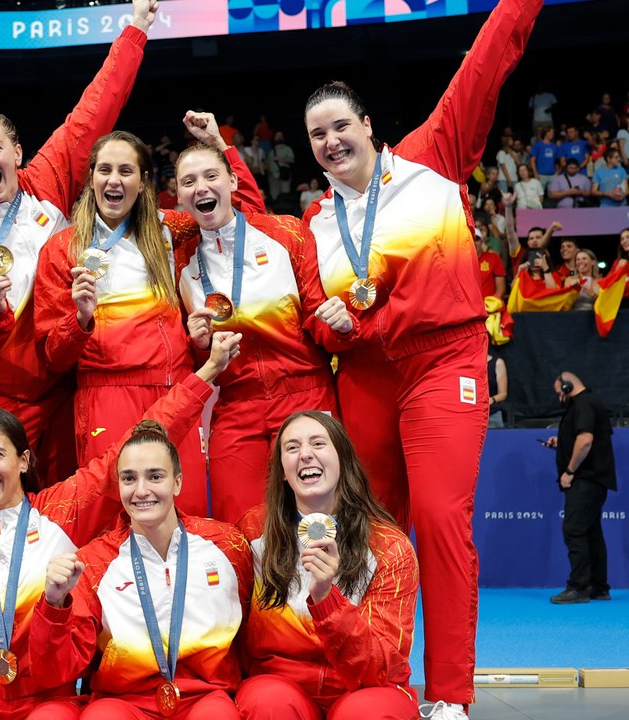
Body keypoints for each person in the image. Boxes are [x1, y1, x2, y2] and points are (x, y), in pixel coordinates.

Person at [299, 1, 542, 714]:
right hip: (369, 376)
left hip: (445, 361)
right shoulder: (314, 224)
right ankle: (376, 680)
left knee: (438, 519)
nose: (332, 141)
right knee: (368, 529)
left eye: (342, 126)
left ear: (368, 126)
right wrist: (336, 328)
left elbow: (486, 63)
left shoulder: (432, 157)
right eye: (318, 135)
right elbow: (321, 325)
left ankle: (450, 699)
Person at [0, 332, 241, 720]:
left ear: (24, 461)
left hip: (49, 694)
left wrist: (208, 371)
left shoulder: (64, 510)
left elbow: (140, 439)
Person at [0, 0, 159, 488]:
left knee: (71, 506)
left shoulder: (49, 181)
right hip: (1, 399)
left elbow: (95, 110)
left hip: (67, 387)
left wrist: (136, 29)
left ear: (17, 153)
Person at [35, 129, 225, 517]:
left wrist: (224, 151)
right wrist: (80, 319)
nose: (114, 180)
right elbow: (52, 357)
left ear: (143, 182)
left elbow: (236, 218)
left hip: (174, 390)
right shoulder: (62, 249)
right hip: (106, 396)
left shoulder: (172, 230)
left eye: (126, 170)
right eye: (104, 170)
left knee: (183, 515)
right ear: (91, 179)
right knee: (117, 522)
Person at [169, 115, 349, 522]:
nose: (201, 188)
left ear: (232, 181)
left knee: (317, 523)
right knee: (242, 530)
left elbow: (318, 320)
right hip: (237, 408)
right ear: (178, 196)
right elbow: (199, 363)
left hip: (306, 394)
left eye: (211, 175)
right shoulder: (182, 263)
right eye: (188, 182)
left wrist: (338, 324)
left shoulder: (286, 233)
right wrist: (197, 345)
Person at [30, 417, 253, 719]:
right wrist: (54, 604)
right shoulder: (94, 562)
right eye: (129, 478)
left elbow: (249, 634)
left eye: (155, 476)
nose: (141, 490)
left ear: (177, 482)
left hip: (205, 697)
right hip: (123, 702)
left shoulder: (227, 545)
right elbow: (56, 670)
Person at [234, 411, 419, 720]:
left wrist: (326, 600)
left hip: (362, 687)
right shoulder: (253, 531)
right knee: (267, 701)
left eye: (318, 443)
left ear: (343, 460)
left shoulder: (389, 547)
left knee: (365, 713)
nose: (305, 453)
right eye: (292, 448)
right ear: (282, 471)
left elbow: (383, 667)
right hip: (282, 683)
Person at [543, 372, 617, 605]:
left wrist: (570, 471)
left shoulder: (583, 404)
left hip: (585, 479)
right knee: (591, 531)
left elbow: (585, 441)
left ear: (567, 387)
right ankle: (598, 586)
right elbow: (580, 438)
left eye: (559, 393)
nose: (559, 398)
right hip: (594, 480)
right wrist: (561, 442)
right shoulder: (588, 404)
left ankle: (579, 587)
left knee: (574, 530)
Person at [486, 351, 508, 429]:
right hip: (471, 413)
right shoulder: (468, 363)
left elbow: (503, 394)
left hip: (492, 414)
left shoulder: (497, 363)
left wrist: (491, 399)